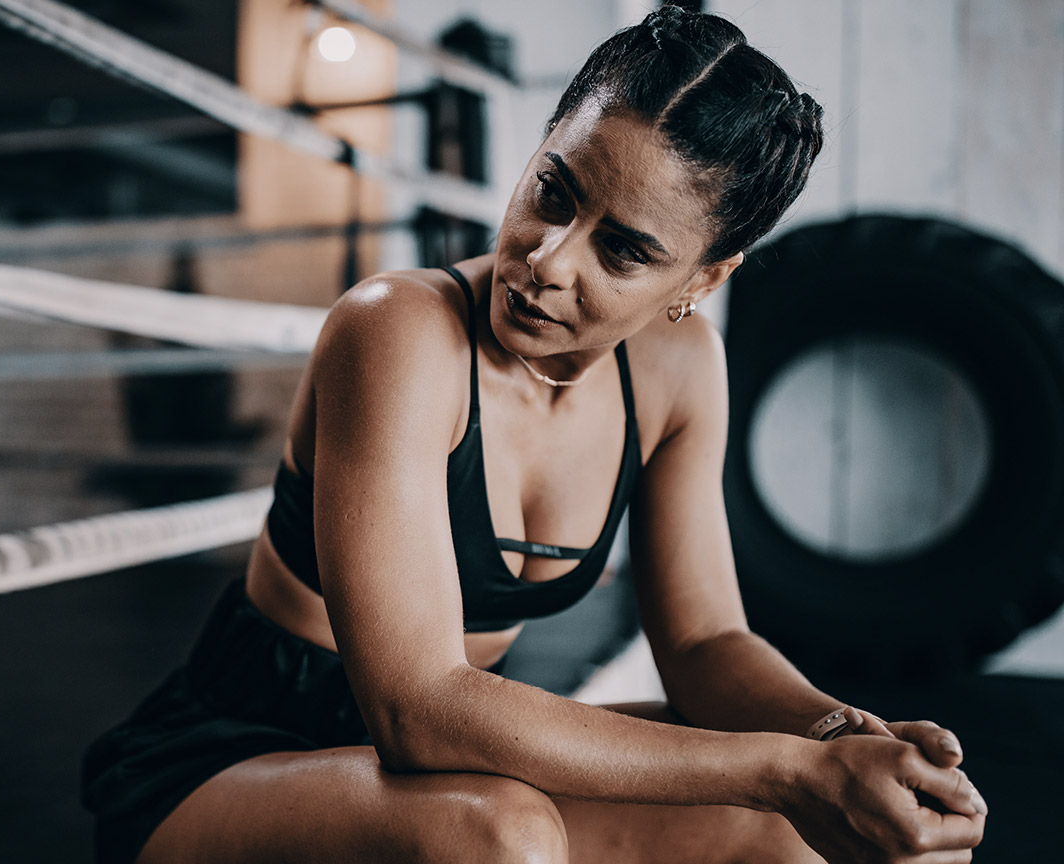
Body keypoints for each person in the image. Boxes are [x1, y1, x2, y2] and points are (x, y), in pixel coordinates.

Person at [83, 6, 988, 863]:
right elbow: (417, 709)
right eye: (554, 191)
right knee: (501, 838)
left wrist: (842, 738)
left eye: (623, 249)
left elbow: (706, 644)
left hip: (451, 779)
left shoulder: (682, 370)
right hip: (233, 765)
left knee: (817, 838)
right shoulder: (396, 329)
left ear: (703, 278)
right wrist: (788, 769)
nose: (547, 260)